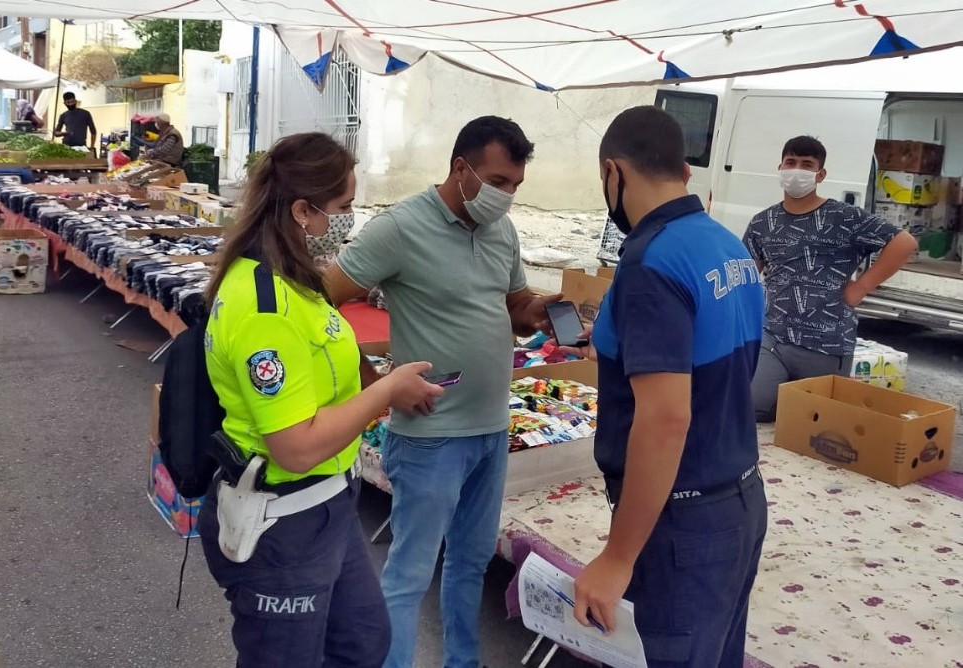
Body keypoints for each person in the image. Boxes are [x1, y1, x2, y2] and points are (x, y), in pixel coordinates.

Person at [197, 132, 444, 668]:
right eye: (342, 207)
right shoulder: (264, 308)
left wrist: (377, 379)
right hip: (283, 522)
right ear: (303, 211)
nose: (347, 221)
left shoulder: (294, 280)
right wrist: (386, 392)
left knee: (362, 641)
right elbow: (296, 447)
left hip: (327, 503)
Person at [325, 116, 558, 668]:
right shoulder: (401, 227)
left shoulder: (501, 230)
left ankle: (462, 661)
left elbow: (512, 303)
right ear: (461, 168)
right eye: (497, 182)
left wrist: (537, 312)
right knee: (410, 573)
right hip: (431, 436)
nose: (506, 196)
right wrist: (377, 386)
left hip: (491, 429)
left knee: (470, 564)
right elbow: (319, 305)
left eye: (515, 186)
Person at [570, 106, 767, 667]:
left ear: (613, 172)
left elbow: (665, 418)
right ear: (683, 170)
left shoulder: (649, 261)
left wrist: (617, 557)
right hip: (739, 499)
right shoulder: (726, 245)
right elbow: (712, 355)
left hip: (681, 519)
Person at [743, 136, 917, 422]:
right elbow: (748, 274)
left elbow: (904, 243)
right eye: (791, 162)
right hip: (774, 340)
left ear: (820, 174)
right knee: (750, 408)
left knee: (812, 419)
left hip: (825, 344)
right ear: (780, 168)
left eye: (806, 164)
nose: (796, 170)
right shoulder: (763, 222)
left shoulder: (844, 217)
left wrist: (861, 287)